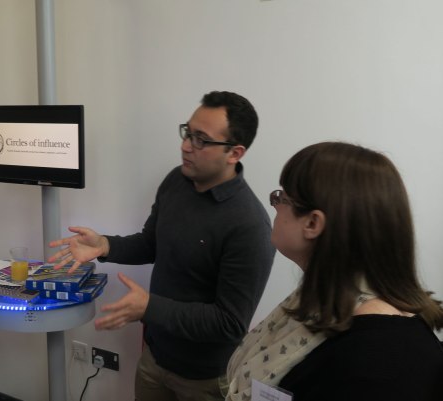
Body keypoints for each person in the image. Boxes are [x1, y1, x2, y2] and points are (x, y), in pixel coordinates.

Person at [49, 91, 276, 401]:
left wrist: (149, 307)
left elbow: (230, 323)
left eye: (201, 139)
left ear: (234, 153)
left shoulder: (250, 225)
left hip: (206, 379)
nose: (186, 146)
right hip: (155, 359)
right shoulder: (176, 181)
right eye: (187, 132)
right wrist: (105, 245)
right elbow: (151, 243)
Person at [226, 142, 443, 401]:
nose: (275, 205)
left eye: (282, 198)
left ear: (312, 223)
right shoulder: (323, 302)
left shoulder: (380, 359)